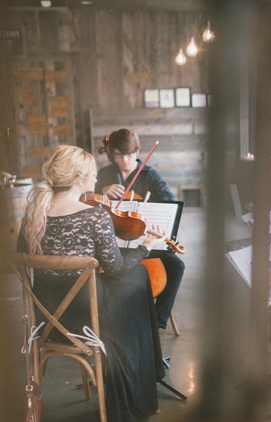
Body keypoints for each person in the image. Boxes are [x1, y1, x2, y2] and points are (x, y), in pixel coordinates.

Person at [17, 145, 166, 422]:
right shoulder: (93, 216)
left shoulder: (34, 213)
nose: (95, 181)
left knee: (134, 282)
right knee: (138, 281)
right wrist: (145, 245)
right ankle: (146, 379)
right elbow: (116, 269)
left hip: (47, 319)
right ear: (79, 179)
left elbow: (23, 253)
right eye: (92, 175)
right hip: (88, 323)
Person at [94, 128, 185, 330]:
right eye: (119, 155)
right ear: (112, 154)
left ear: (137, 152)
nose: (125, 160)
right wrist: (102, 191)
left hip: (143, 240)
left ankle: (157, 321)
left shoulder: (150, 175)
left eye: (130, 154)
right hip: (113, 241)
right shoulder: (104, 175)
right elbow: (89, 201)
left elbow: (168, 202)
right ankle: (110, 319)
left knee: (177, 267)